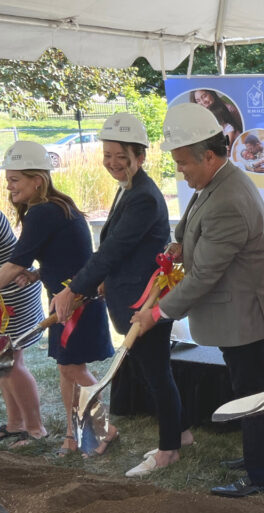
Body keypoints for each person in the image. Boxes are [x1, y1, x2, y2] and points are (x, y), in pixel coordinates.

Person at [131, 102, 264, 497]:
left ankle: (262, 475)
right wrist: (179, 244)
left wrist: (158, 313)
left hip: (244, 313)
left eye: (183, 162)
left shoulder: (228, 199)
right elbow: (190, 220)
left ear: (210, 156)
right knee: (257, 386)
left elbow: (203, 277)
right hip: (241, 310)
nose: (180, 170)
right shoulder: (216, 182)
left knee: (251, 392)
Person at [51, 113, 191, 477]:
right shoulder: (130, 188)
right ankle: (182, 433)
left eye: (121, 156)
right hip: (128, 293)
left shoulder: (142, 196)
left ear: (140, 156)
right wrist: (99, 282)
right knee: (154, 372)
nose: (112, 163)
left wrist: (74, 289)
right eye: (107, 154)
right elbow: (121, 250)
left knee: (156, 374)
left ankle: (170, 448)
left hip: (144, 300)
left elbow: (112, 249)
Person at [0, 140, 116, 456]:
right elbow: (65, 253)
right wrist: (39, 274)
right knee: (67, 369)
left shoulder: (43, 213)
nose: (9, 187)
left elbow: (13, 265)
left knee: (73, 370)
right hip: (69, 300)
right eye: (8, 179)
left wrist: (28, 270)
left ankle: (105, 428)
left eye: (15, 179)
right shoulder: (53, 207)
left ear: (37, 180)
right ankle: (72, 434)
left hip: (76, 302)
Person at [0, 211, 45, 448]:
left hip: (13, 294)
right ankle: (15, 424)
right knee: (3, 364)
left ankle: (35, 429)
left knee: (11, 362)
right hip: (8, 292)